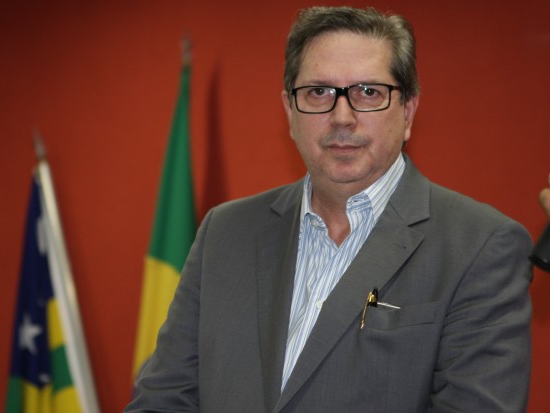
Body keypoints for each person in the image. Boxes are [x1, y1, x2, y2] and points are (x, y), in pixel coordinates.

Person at [125, 6, 532, 413]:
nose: (342, 117)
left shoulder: (481, 246)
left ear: (408, 112)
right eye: (319, 92)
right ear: (290, 112)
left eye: (368, 92)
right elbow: (162, 399)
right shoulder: (224, 231)